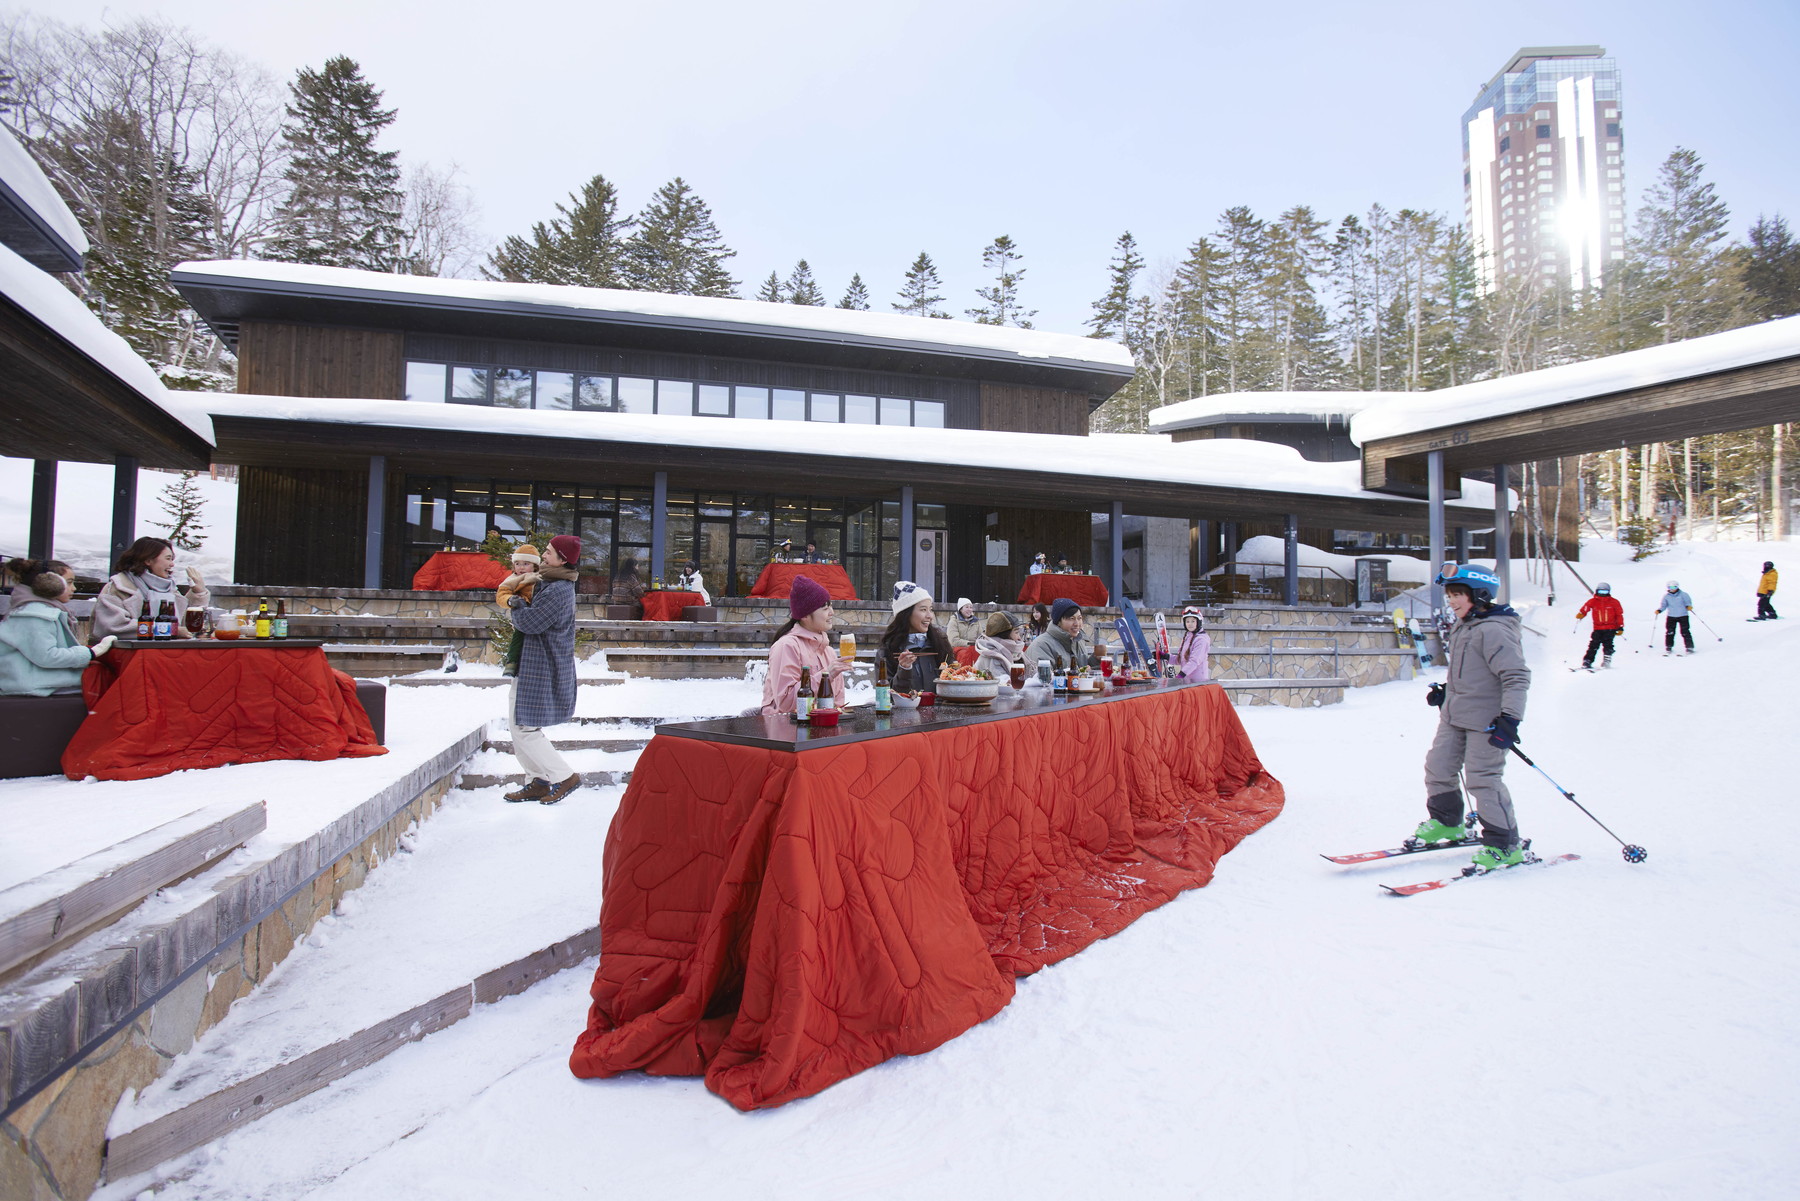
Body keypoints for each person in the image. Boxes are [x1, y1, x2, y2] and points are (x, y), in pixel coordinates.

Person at [1410, 563, 1532, 871]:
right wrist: (1448, 692)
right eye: (1449, 594)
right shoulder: (1466, 625)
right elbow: (1474, 673)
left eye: (1457, 595)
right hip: (1456, 714)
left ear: (1478, 595)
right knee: (1438, 767)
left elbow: (1515, 676)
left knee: (1483, 779)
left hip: (1488, 721)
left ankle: (1505, 845)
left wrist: (1510, 719)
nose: (1450, 601)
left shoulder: (1494, 629)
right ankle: (1447, 822)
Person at [503, 535, 582, 804]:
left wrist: (516, 606)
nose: (543, 556)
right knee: (517, 725)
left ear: (562, 559)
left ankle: (564, 776)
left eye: (548, 552)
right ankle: (537, 780)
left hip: (543, 667)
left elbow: (532, 623)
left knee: (525, 728)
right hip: (532, 664)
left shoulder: (559, 589)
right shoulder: (547, 583)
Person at [0, 560, 116, 695]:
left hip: (36, 682)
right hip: (34, 686)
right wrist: (91, 653)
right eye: (69, 582)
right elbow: (47, 656)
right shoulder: (34, 615)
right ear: (49, 584)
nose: (74, 588)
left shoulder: (40, 611)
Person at [761, 574, 850, 717]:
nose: (832, 612)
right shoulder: (787, 646)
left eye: (831, 606)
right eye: (825, 608)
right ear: (805, 616)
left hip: (822, 730)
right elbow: (786, 703)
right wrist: (826, 676)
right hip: (785, 730)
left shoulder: (829, 651)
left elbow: (838, 703)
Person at [92, 537, 209, 639]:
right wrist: (169, 630)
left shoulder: (171, 590)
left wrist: (198, 593)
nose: (172, 564)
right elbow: (112, 627)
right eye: (168, 558)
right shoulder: (117, 587)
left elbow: (186, 627)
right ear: (148, 560)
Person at [880, 581, 953, 697]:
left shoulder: (940, 643)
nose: (930, 616)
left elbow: (953, 681)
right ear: (906, 613)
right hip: (904, 714)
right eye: (923, 610)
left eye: (931, 609)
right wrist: (904, 669)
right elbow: (885, 696)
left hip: (940, 713)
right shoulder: (888, 650)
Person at [496, 544, 541, 678]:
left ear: (534, 565)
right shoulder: (512, 579)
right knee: (518, 636)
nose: (521, 567)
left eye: (526, 563)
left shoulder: (540, 577)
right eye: (517, 563)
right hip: (523, 612)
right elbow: (501, 594)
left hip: (539, 613)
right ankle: (512, 662)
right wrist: (510, 600)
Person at [1025, 598, 1100, 674]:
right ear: (1058, 622)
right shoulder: (1041, 645)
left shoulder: (1078, 640)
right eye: (1071, 618)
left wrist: (1096, 659)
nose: (1077, 624)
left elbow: (1083, 668)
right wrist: (1073, 674)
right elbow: (1041, 679)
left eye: (1079, 618)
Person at [1575, 582, 1624, 670]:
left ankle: (1607, 660)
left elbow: (1619, 615)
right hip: (1598, 628)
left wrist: (1620, 627)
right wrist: (1582, 613)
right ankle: (1587, 661)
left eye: (1605, 592)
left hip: (1610, 628)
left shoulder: (1614, 602)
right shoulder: (1593, 601)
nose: (1602, 594)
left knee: (1608, 645)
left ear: (1608, 592)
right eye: (1601, 592)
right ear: (1597, 591)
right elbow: (1586, 607)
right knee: (1594, 644)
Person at [973, 610, 1025, 678]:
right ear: (1004, 635)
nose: (1019, 638)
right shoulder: (992, 657)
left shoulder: (1016, 654)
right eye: (1016, 632)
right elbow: (1004, 685)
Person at [1656, 580, 1696, 655]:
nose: (1672, 589)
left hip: (1683, 616)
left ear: (1677, 587)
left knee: (1685, 631)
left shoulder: (1684, 594)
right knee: (1670, 632)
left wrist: (1689, 606)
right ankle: (1669, 646)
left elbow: (1688, 602)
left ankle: (1689, 647)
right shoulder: (1666, 596)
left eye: (1674, 587)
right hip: (1671, 616)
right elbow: (1664, 605)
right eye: (1670, 587)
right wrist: (1659, 610)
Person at [1172, 605, 1211, 681]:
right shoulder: (1188, 637)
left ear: (1198, 622)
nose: (1190, 624)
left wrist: (1181, 675)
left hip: (1198, 681)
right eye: (1187, 621)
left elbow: (1194, 661)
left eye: (1193, 621)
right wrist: (1165, 656)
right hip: (1188, 681)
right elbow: (1181, 659)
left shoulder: (1201, 639)